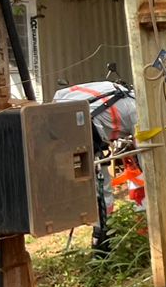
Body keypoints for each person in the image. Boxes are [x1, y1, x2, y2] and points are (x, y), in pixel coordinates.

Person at [52, 78, 137, 254]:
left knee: (94, 182)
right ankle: (103, 240)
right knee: (100, 184)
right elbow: (148, 158)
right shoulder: (137, 111)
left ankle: (101, 234)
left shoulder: (111, 87)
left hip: (55, 115)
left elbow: (60, 95)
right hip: (85, 129)